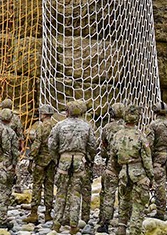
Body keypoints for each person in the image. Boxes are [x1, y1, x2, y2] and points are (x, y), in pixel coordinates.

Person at [49, 101, 98, 235]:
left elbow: (52, 145)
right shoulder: (86, 126)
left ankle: (56, 225)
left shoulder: (60, 125)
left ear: (68, 111)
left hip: (63, 160)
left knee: (61, 193)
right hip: (79, 160)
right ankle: (73, 225)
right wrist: (89, 159)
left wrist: (57, 159)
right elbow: (92, 146)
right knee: (76, 193)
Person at [110, 107, 152, 235]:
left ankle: (121, 228)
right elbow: (146, 158)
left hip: (123, 171)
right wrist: (151, 176)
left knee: (124, 200)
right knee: (138, 203)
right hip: (138, 172)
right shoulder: (140, 136)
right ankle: (134, 230)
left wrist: (117, 170)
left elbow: (113, 155)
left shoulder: (117, 135)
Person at [25, 105, 57, 224]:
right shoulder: (55, 127)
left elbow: (37, 144)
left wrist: (31, 159)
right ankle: (48, 213)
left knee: (37, 185)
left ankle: (34, 213)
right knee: (49, 185)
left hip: (41, 161)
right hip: (52, 160)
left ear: (43, 114)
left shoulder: (41, 127)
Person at [97, 103, 125, 233]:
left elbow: (103, 148)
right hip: (127, 165)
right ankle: (124, 222)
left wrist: (107, 154)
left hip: (112, 164)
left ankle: (105, 222)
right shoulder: (129, 128)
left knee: (109, 193)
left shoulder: (107, 128)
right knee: (126, 194)